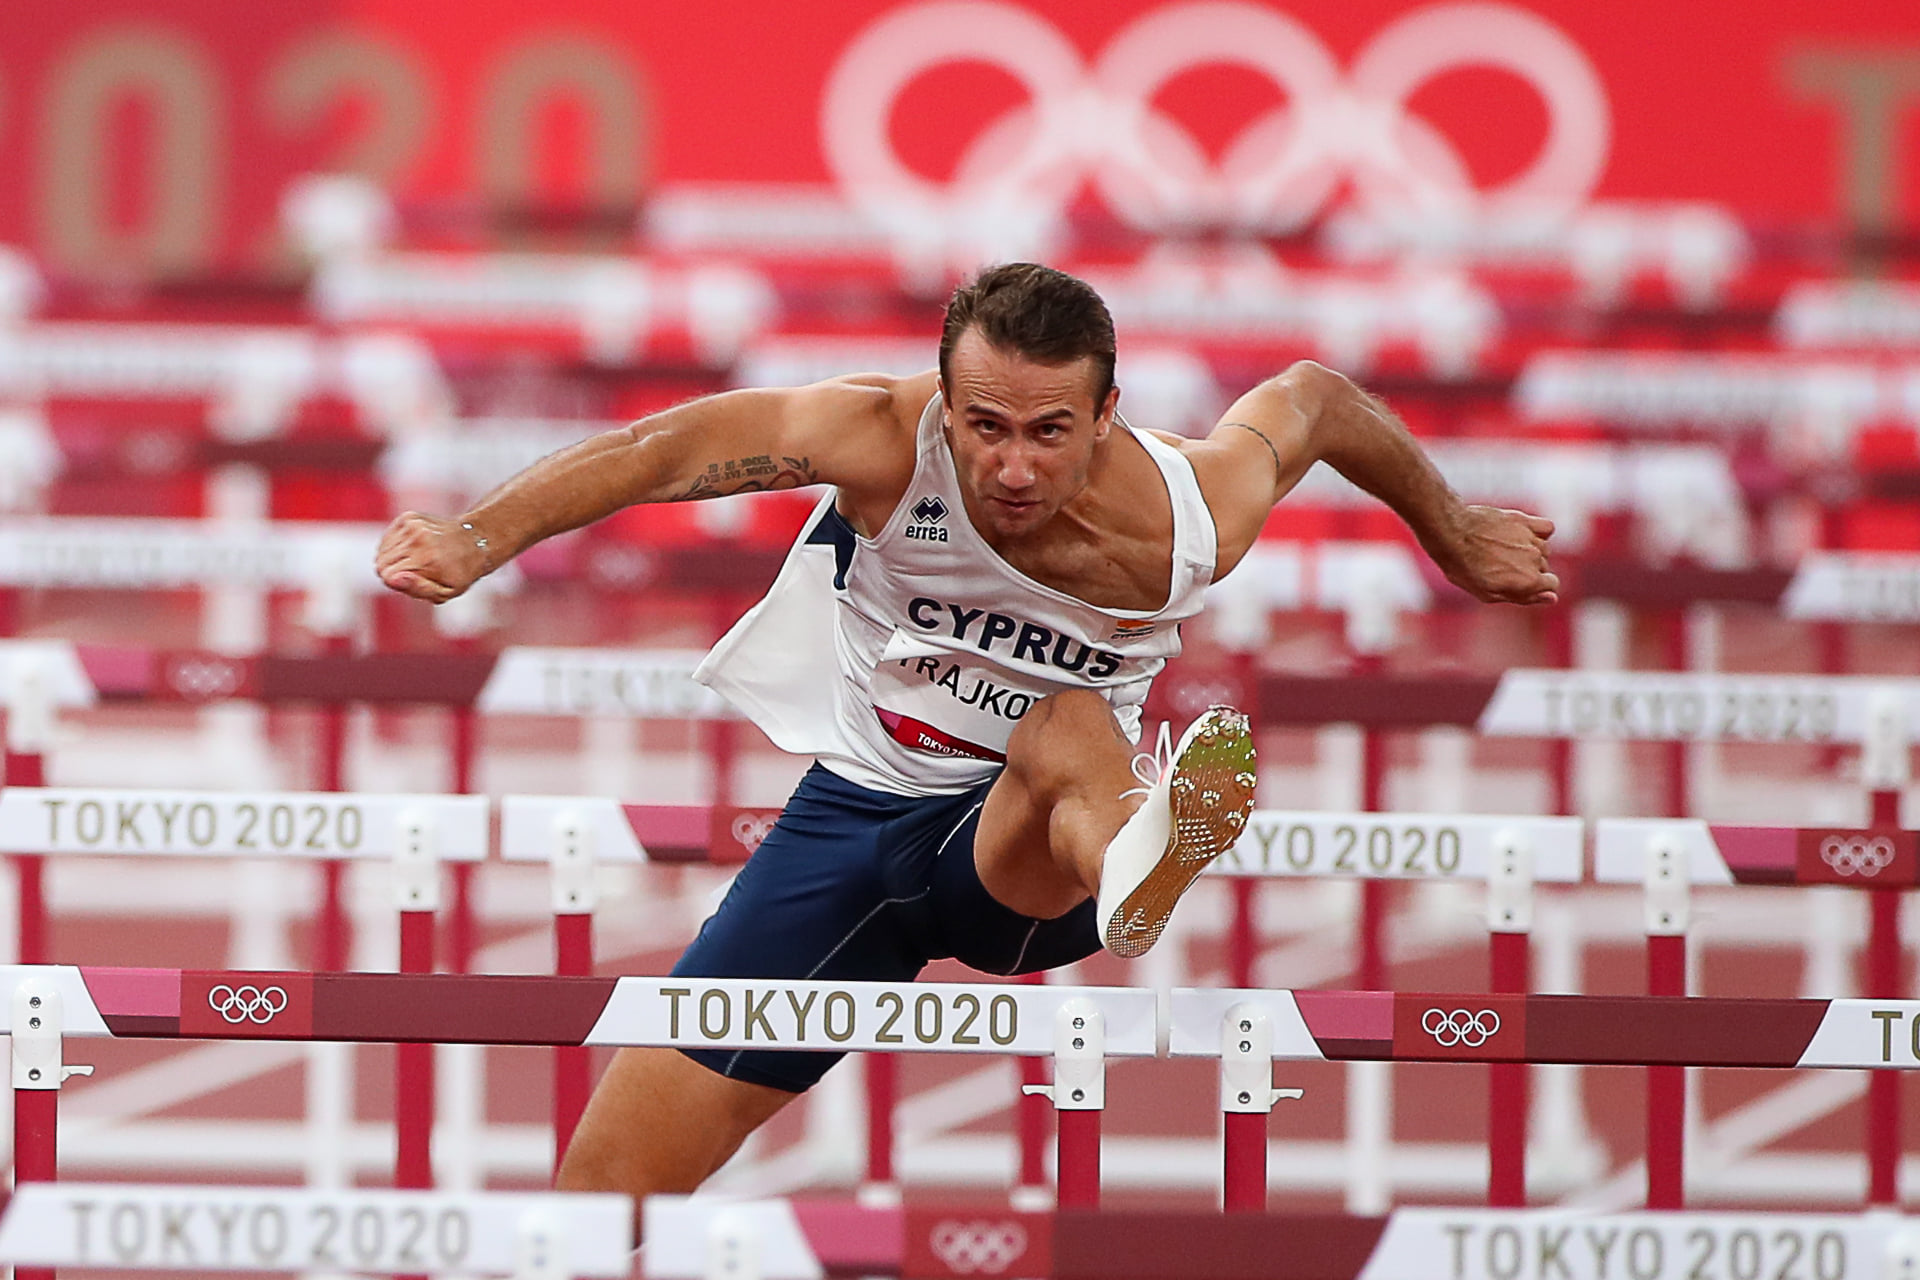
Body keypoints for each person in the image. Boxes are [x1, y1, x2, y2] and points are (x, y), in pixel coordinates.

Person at [374, 262, 1557, 1206]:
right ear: (942, 399)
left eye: (1049, 431)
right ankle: (1136, 848)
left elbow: (1318, 398)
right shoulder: (885, 439)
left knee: (1065, 722)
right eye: (984, 424)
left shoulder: (1199, 512)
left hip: (1025, 849)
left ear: (1108, 413)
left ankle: (1138, 860)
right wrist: (475, 542)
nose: (1011, 465)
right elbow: (662, 450)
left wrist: (1449, 529)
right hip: (848, 828)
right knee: (607, 1184)